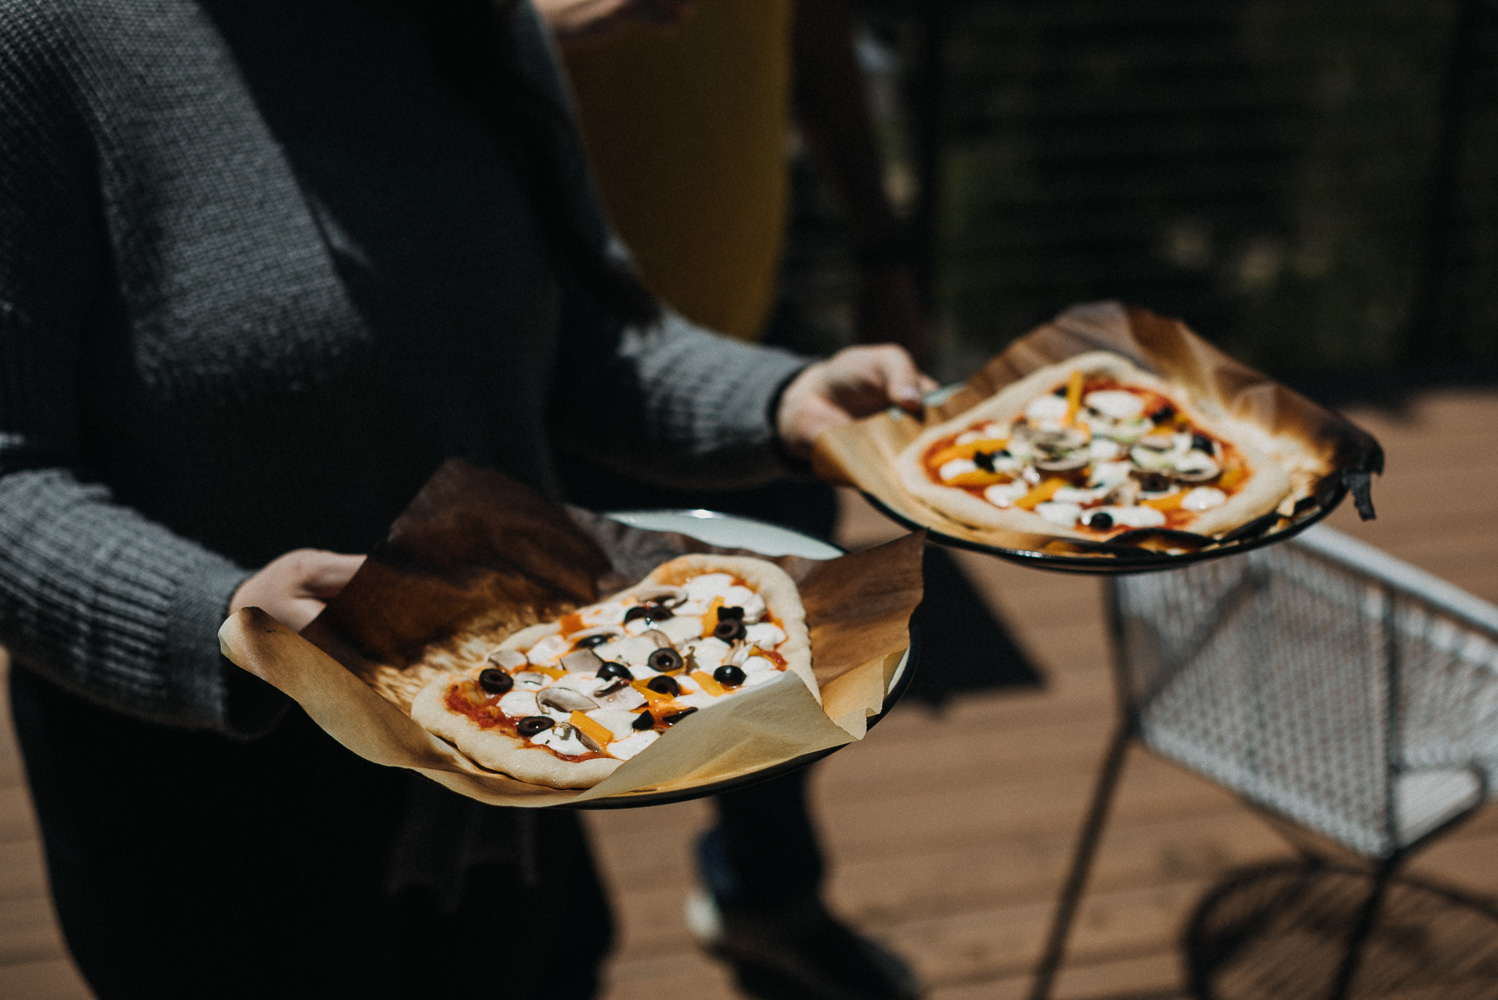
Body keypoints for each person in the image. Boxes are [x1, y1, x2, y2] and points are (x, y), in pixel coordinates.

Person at [0, 1, 932, 997]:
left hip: (507, 768)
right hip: (212, 816)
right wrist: (217, 619)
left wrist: (782, 400)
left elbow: (588, 340)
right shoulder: (43, 42)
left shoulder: (476, 21)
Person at [530, 3, 926, 998]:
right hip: (535, 379)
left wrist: (882, 250)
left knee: (783, 680)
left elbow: (813, 35)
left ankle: (768, 901)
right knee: (543, 731)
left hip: (753, 349)